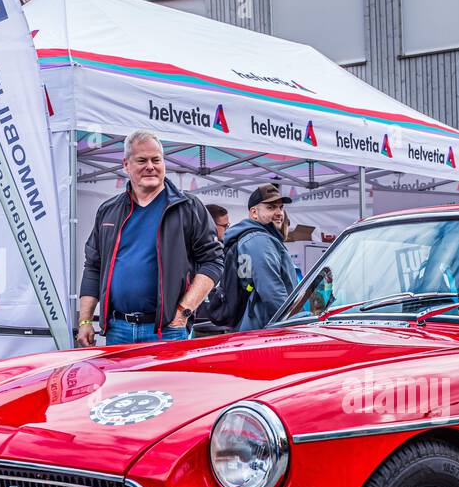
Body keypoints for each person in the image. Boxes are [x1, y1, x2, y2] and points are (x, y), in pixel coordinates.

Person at [77, 129, 223, 346]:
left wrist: (184, 311)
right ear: (126, 165)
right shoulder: (108, 211)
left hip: (168, 330)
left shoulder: (188, 208)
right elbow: (93, 267)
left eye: (156, 160)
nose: (150, 166)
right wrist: (85, 320)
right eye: (142, 160)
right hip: (118, 330)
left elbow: (213, 261)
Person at [223, 183, 298, 331]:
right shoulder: (258, 239)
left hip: (255, 324)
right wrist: (291, 323)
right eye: (271, 207)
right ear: (254, 213)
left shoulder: (252, 237)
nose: (279, 213)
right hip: (266, 326)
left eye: (280, 207)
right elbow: (272, 290)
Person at [192, 204, 232, 337]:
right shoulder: (193, 251)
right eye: (225, 226)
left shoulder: (227, 249)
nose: (228, 229)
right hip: (200, 325)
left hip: (221, 324)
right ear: (211, 225)